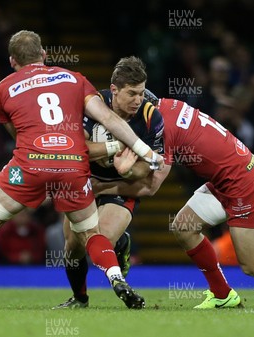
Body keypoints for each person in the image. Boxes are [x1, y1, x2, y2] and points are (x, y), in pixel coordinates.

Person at [92, 69, 254, 309]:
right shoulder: (167, 107)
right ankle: (222, 294)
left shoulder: (162, 127)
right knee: (184, 227)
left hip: (245, 185)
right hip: (225, 180)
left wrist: (99, 187)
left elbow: (150, 188)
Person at [0, 30, 162, 309]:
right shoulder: (75, 79)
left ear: (13, 60)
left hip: (30, 163)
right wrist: (144, 151)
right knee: (91, 234)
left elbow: (16, 133)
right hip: (74, 166)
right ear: (44, 56)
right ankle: (115, 278)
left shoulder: (2, 87)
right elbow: (109, 118)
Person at [53, 57, 164, 309]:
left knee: (99, 238)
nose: (138, 100)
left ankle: (120, 243)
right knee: (72, 248)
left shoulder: (150, 117)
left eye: (141, 92)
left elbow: (147, 166)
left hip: (120, 187)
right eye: (132, 93)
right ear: (114, 90)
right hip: (83, 183)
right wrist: (116, 146)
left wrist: (128, 170)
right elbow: (77, 148)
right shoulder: (92, 105)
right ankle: (80, 299)